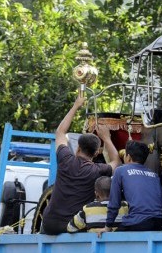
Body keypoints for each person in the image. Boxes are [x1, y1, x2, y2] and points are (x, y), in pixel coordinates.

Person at [42, 95, 121, 235]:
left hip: (50, 224)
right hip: (74, 227)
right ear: (97, 153)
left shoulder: (65, 158)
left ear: (78, 147)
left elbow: (60, 132)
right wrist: (107, 138)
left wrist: (76, 105)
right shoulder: (97, 170)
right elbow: (116, 161)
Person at [98, 141, 162, 236]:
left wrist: (107, 227)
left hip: (138, 223)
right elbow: (161, 202)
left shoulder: (120, 170)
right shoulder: (154, 175)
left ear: (128, 157)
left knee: (112, 242)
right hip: (159, 222)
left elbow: (114, 203)